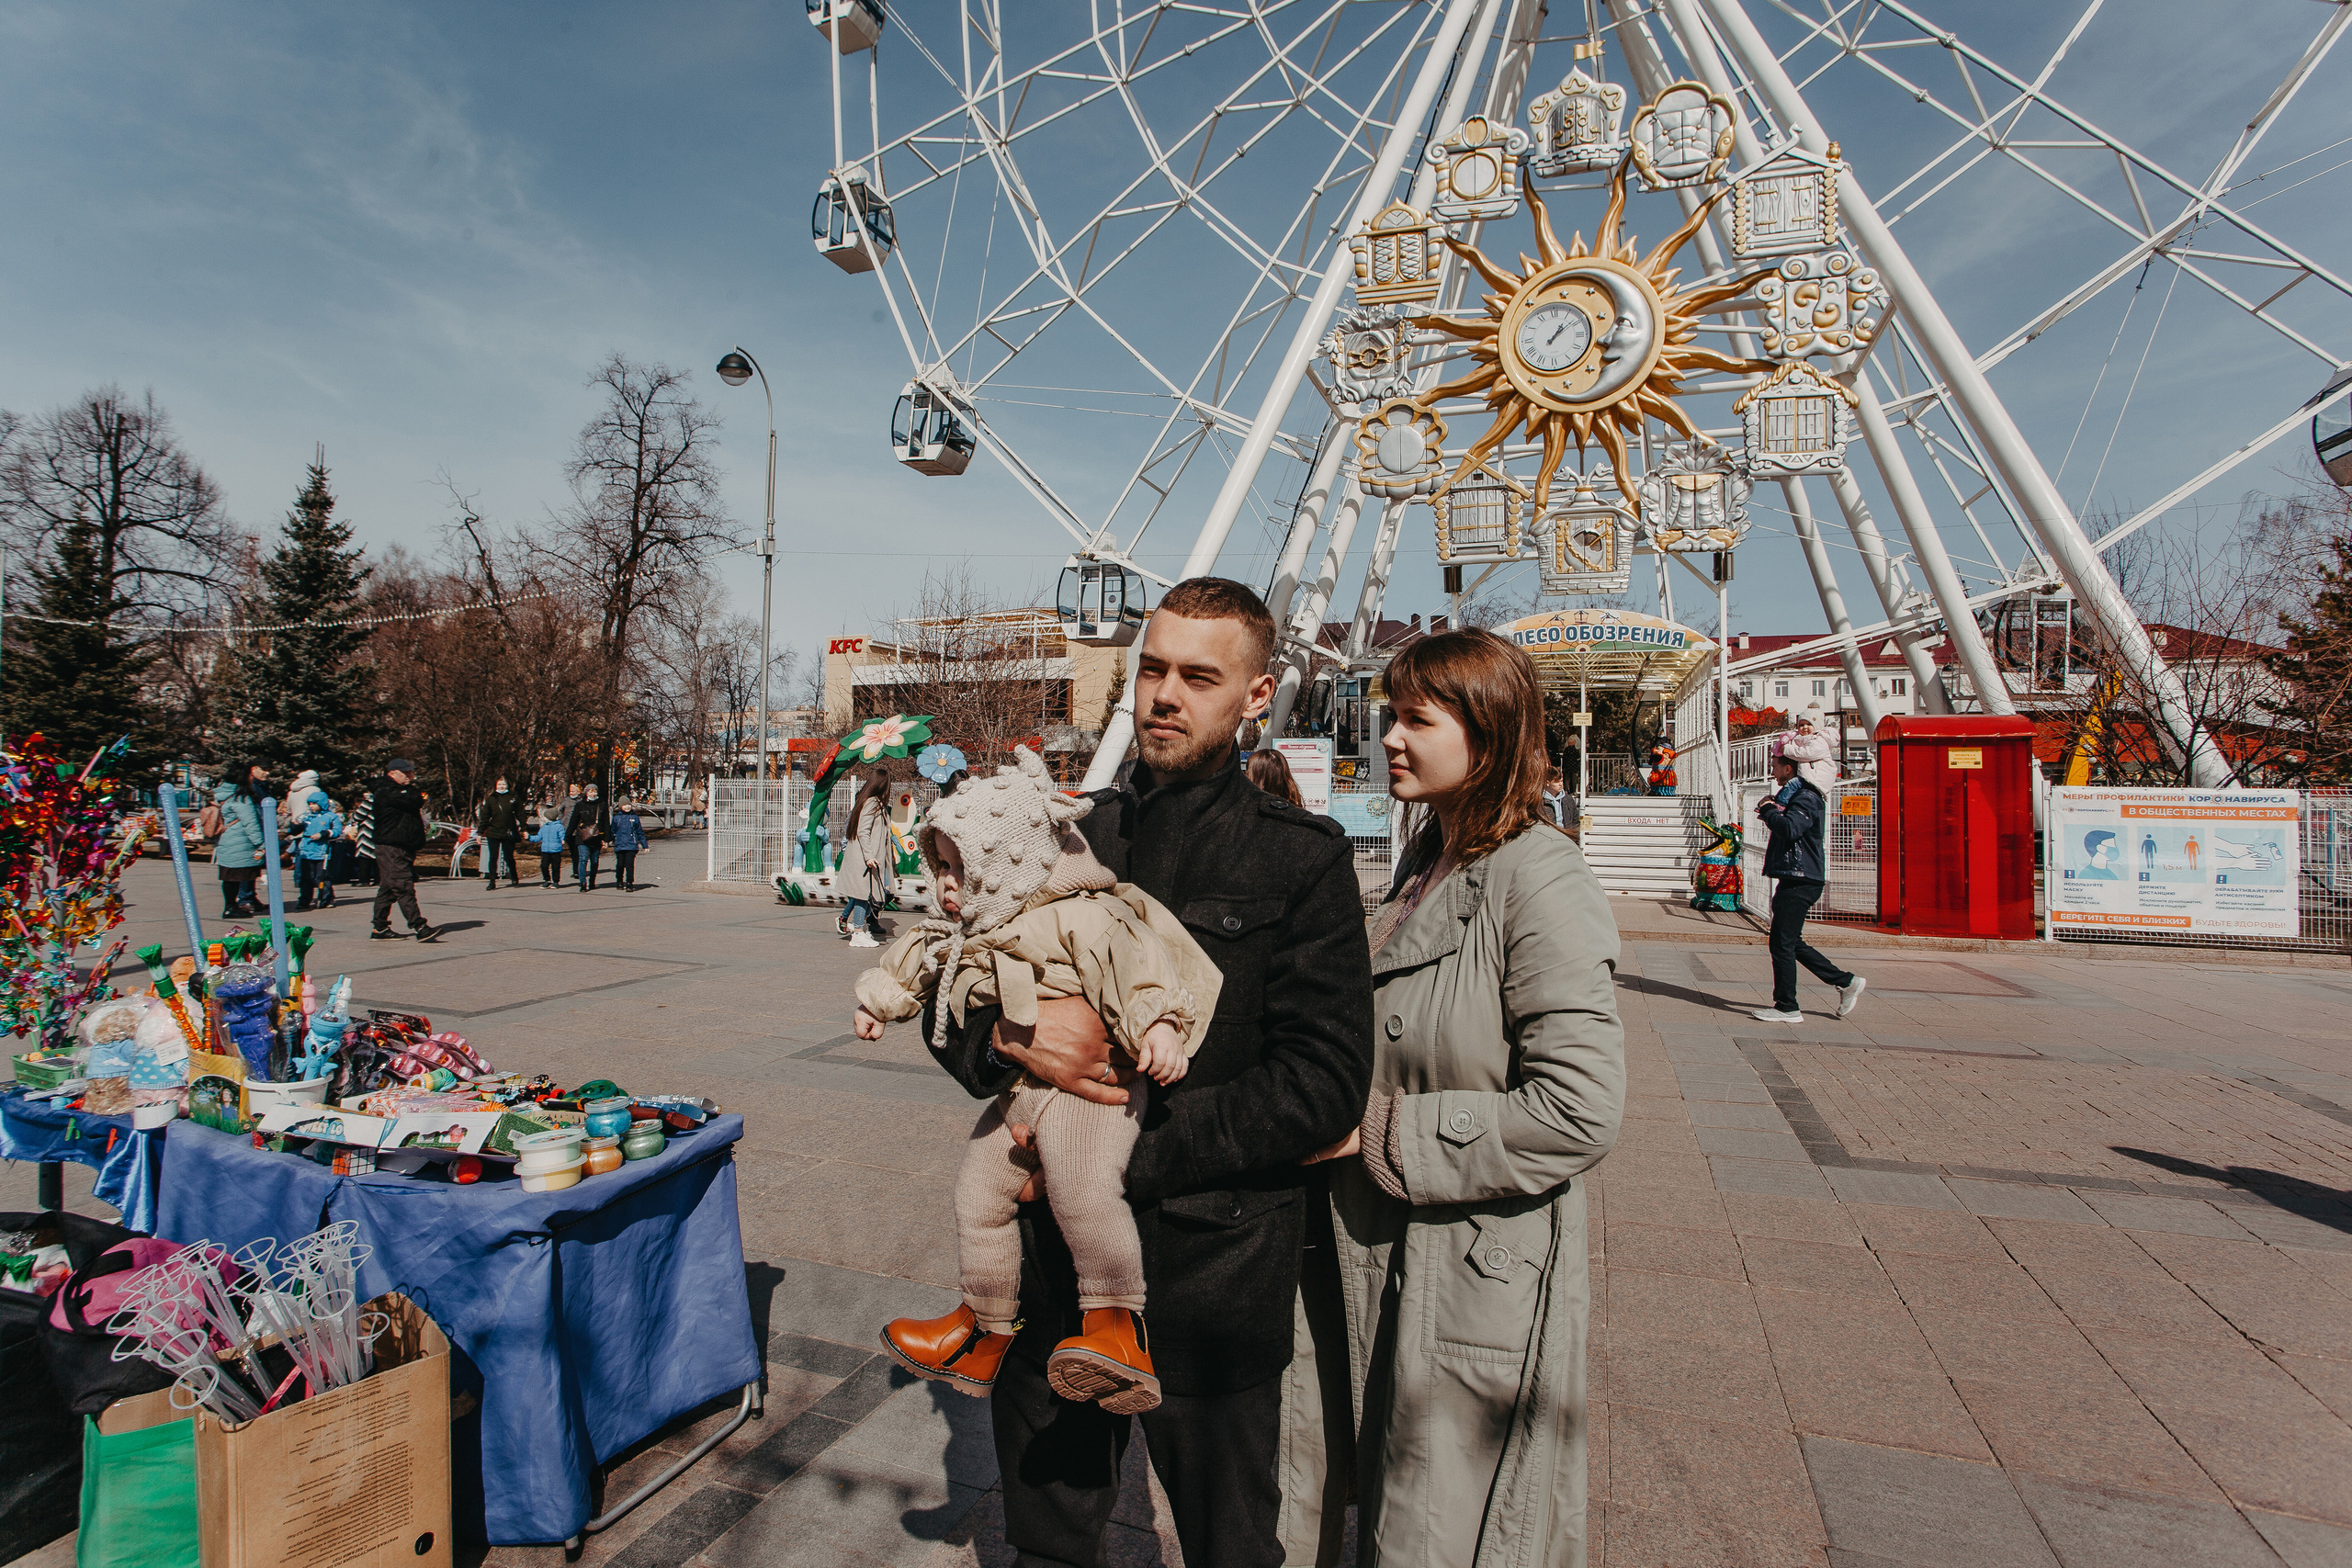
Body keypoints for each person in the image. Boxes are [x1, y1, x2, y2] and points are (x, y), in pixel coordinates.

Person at [922, 577, 1374, 1568]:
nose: (1164, 695)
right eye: (1153, 669)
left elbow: (1323, 1083)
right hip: (1049, 1289)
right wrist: (1005, 1043)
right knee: (1045, 1542)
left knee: (1230, 1547)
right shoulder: (1072, 835)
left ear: (1257, 696)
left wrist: (1111, 1159)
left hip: (1214, 1289)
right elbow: (946, 991)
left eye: (1198, 677)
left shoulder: (1300, 861)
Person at [1288, 626, 1625, 1568]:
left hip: (1472, 1266)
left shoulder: (1539, 878)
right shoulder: (1425, 862)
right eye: (1388, 716)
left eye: (1414, 720)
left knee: (1443, 1530)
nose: (1389, 738)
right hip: (1381, 1250)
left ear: (1488, 731)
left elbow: (1578, 1108)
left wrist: (1379, 1129)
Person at [870, 748, 1221, 1414]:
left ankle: (1117, 1321)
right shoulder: (980, 926)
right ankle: (984, 1321)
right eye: (939, 867)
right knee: (976, 1193)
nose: (946, 884)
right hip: (1022, 1092)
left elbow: (1133, 961)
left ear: (1004, 866)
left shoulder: (1078, 910)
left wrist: (1158, 1025)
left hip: (1094, 1092)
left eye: (958, 868)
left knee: (1086, 1190)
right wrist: (879, 998)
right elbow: (924, 964)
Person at [1752, 754, 1863, 1023]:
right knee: (1789, 943)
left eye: (1775, 765)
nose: (1772, 769)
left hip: (1801, 879)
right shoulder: (1795, 796)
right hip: (1796, 877)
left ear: (1788, 768)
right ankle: (1845, 982)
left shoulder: (1806, 797)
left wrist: (1768, 810)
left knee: (1782, 945)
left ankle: (1787, 1007)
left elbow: (1790, 829)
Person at [368, 760, 441, 942]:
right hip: (391, 846)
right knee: (402, 885)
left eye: (411, 772)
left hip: (403, 846)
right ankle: (420, 926)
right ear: (393, 773)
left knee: (389, 887)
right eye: (406, 773)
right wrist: (414, 794)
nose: (411, 776)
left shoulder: (402, 790)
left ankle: (380, 928)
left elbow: (416, 798)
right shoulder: (386, 790)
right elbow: (415, 799)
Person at [834, 769, 894, 948]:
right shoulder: (872, 803)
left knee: (867, 895)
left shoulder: (869, 802)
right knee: (862, 895)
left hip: (869, 858)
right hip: (866, 858)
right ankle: (858, 932)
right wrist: (869, 856)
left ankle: (860, 929)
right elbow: (863, 830)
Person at [212, 761, 271, 919]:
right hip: (240, 843)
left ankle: (233, 905)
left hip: (227, 841)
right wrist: (261, 843)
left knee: (230, 877)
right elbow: (250, 823)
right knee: (236, 877)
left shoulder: (224, 795)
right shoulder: (240, 798)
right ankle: (231, 907)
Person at [1773, 709, 1838, 796]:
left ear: (1817, 726)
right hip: (1809, 777)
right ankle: (1781, 803)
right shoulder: (1803, 739)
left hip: (1817, 778)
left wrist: (1787, 749)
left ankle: (1780, 803)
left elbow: (1807, 753)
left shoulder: (1818, 740)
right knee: (1793, 789)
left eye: (1809, 724)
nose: (1805, 727)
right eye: (1801, 725)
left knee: (1791, 785)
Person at [295, 790, 342, 911]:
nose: (311, 806)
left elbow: (337, 831)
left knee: (322, 877)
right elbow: (296, 828)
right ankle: (304, 900)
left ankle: (326, 898)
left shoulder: (331, 817)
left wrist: (323, 834)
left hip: (322, 851)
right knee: (306, 877)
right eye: (310, 804)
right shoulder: (307, 816)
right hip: (306, 850)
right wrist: (295, 826)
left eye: (314, 804)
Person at [476, 777, 524, 890]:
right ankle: (492, 881)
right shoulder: (491, 798)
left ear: (507, 785)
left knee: (509, 857)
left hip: (508, 832)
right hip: (493, 832)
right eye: (499, 784)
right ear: (496, 786)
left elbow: (520, 813)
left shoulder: (513, 797)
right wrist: (480, 832)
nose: (501, 786)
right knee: (493, 857)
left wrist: (524, 827)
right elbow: (485, 817)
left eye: (503, 784)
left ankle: (514, 877)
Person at [568, 783, 609, 892]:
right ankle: (582, 882)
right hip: (582, 837)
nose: (593, 794)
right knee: (583, 859)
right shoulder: (580, 805)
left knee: (594, 861)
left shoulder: (602, 805)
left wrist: (606, 838)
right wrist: (567, 835)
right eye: (591, 791)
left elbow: (606, 822)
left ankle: (592, 881)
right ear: (586, 793)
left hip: (596, 837)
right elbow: (573, 821)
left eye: (595, 791)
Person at [610, 796, 648, 890]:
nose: (627, 807)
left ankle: (630, 883)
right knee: (620, 865)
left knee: (629, 865)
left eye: (629, 805)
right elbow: (612, 831)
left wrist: (644, 845)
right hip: (620, 845)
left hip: (631, 845)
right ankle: (619, 881)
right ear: (620, 806)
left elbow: (640, 832)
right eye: (625, 805)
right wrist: (607, 841)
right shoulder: (616, 818)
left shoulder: (634, 817)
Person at [348, 787, 378, 887]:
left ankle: (364, 880)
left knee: (365, 857)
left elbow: (357, 816)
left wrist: (353, 816)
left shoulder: (369, 802)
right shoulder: (387, 799)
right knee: (379, 857)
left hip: (368, 831)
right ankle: (379, 879)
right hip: (381, 831)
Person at [536, 807, 568, 887]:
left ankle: (556, 881)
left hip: (556, 849)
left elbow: (562, 834)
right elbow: (539, 837)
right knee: (544, 865)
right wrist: (529, 837)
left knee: (555, 866)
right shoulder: (544, 827)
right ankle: (547, 880)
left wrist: (563, 839)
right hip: (545, 850)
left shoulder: (558, 826)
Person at [1541, 761, 1571, 829]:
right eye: (1556, 782)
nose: (1560, 784)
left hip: (1567, 836)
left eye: (1561, 781)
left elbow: (1575, 821)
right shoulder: (1539, 801)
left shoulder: (1568, 799)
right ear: (1547, 783)